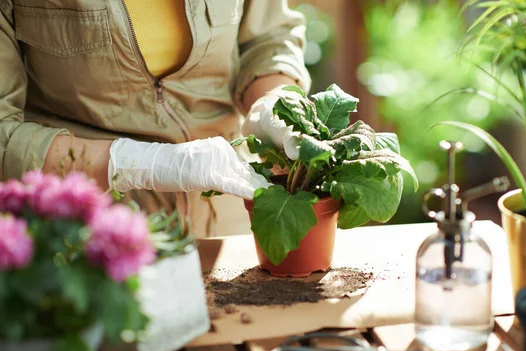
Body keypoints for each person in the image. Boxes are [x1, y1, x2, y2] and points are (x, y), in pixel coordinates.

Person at [0, 0, 310, 238]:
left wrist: (275, 105)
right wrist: (134, 163)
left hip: (231, 221)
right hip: (93, 244)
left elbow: (267, 37)